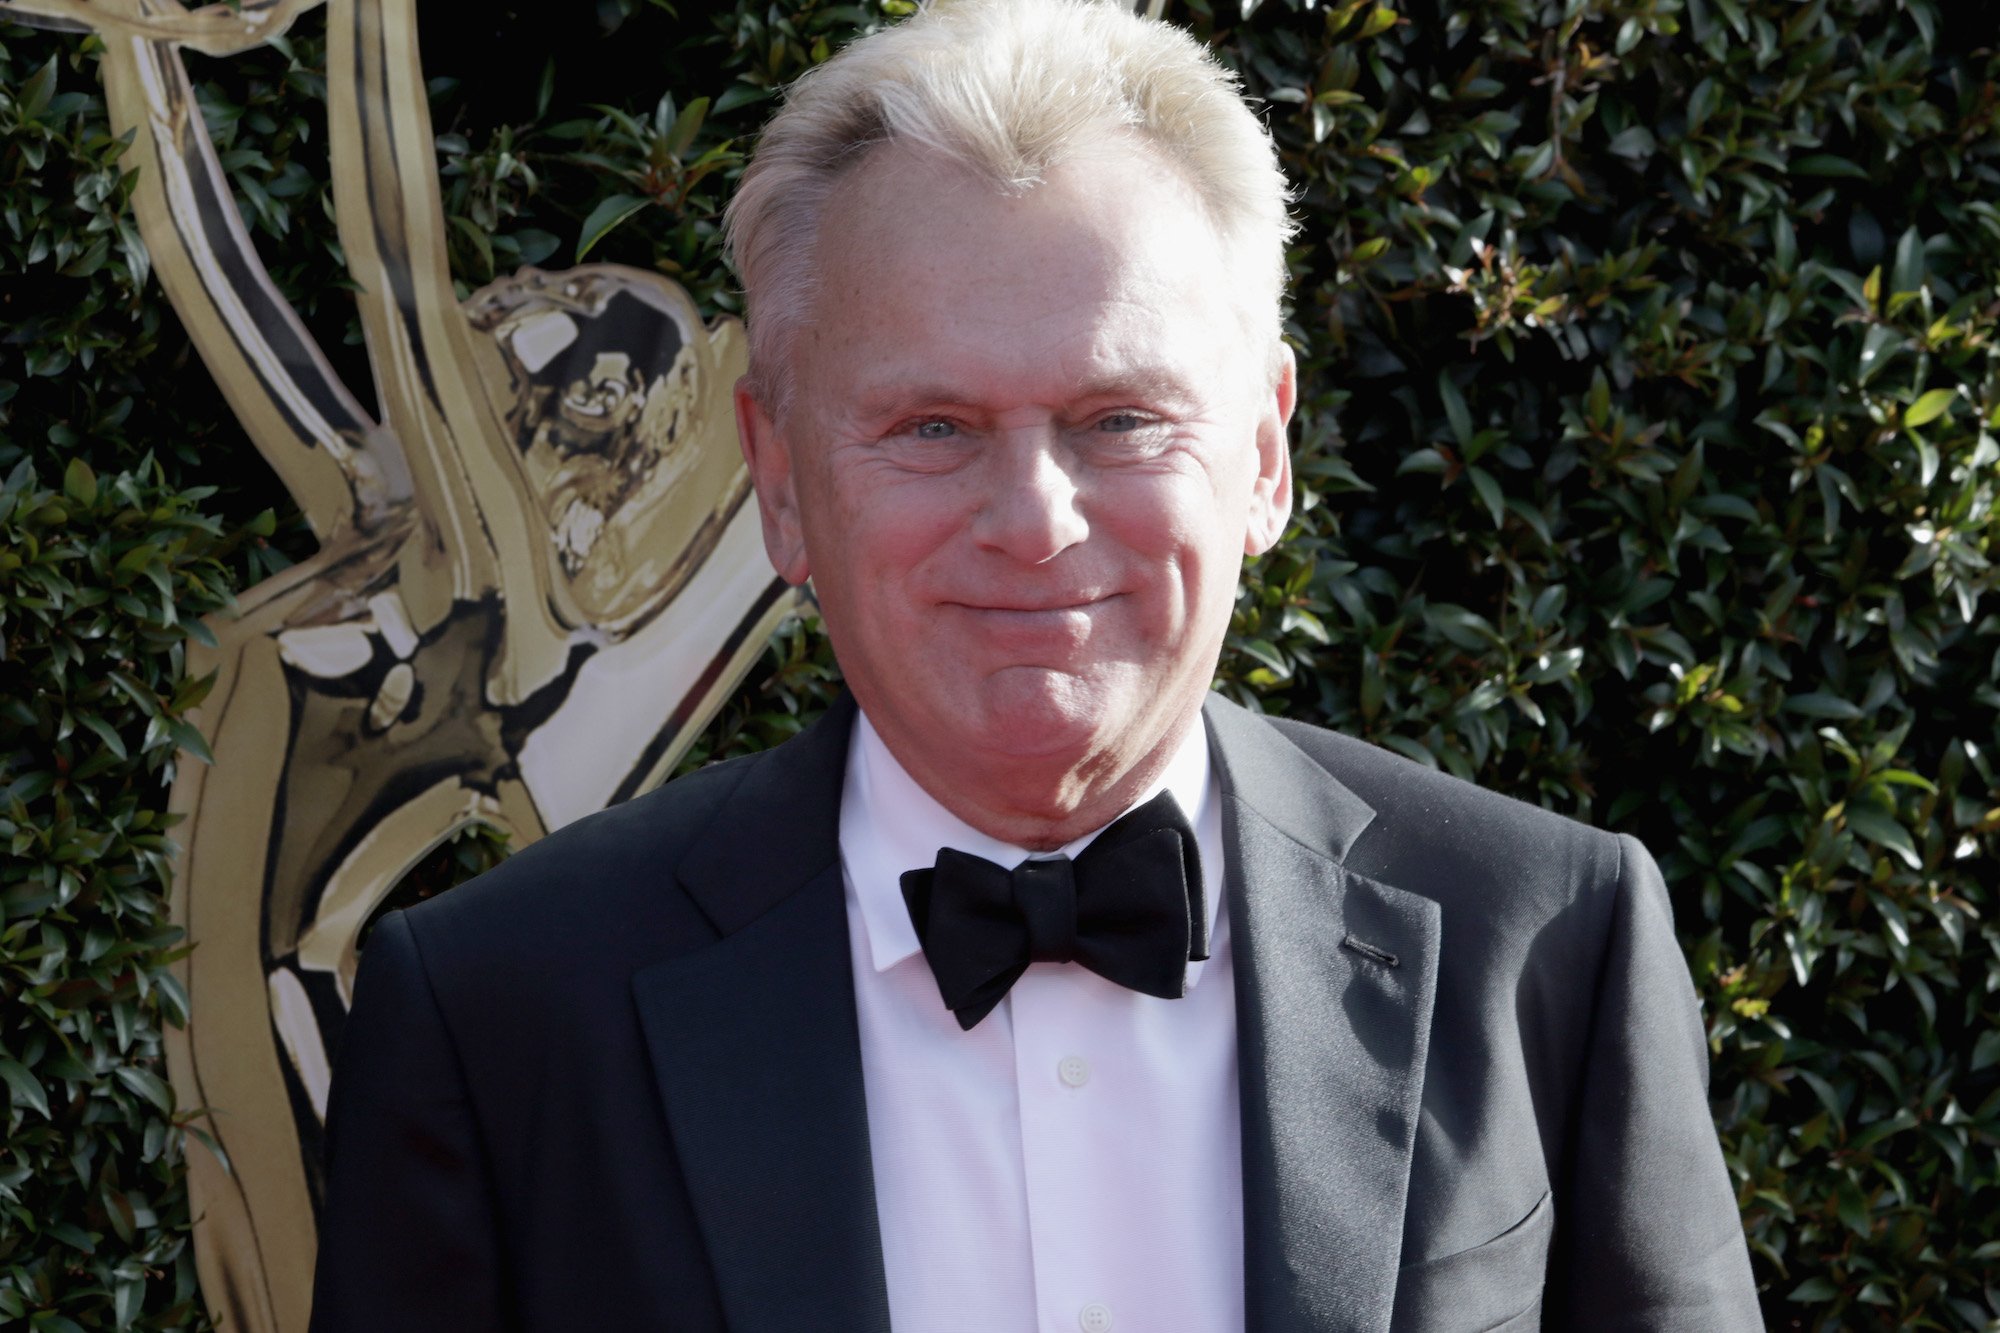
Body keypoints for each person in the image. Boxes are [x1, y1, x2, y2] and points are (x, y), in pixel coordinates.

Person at [308, 0, 1763, 1328]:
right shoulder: (501, 1014)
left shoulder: (1547, 945)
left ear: (1263, 451)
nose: (1032, 522)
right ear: (783, 479)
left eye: (1121, 417)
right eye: (932, 425)